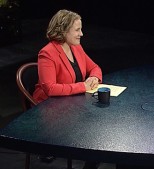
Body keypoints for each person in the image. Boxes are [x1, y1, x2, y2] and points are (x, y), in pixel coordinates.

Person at [32, 9, 102, 169]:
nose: (81, 34)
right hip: (51, 107)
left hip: (73, 102)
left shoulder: (76, 47)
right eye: (77, 30)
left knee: (101, 125)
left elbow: (95, 67)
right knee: (95, 129)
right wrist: (82, 86)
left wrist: (94, 78)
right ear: (63, 31)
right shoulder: (47, 53)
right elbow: (50, 89)